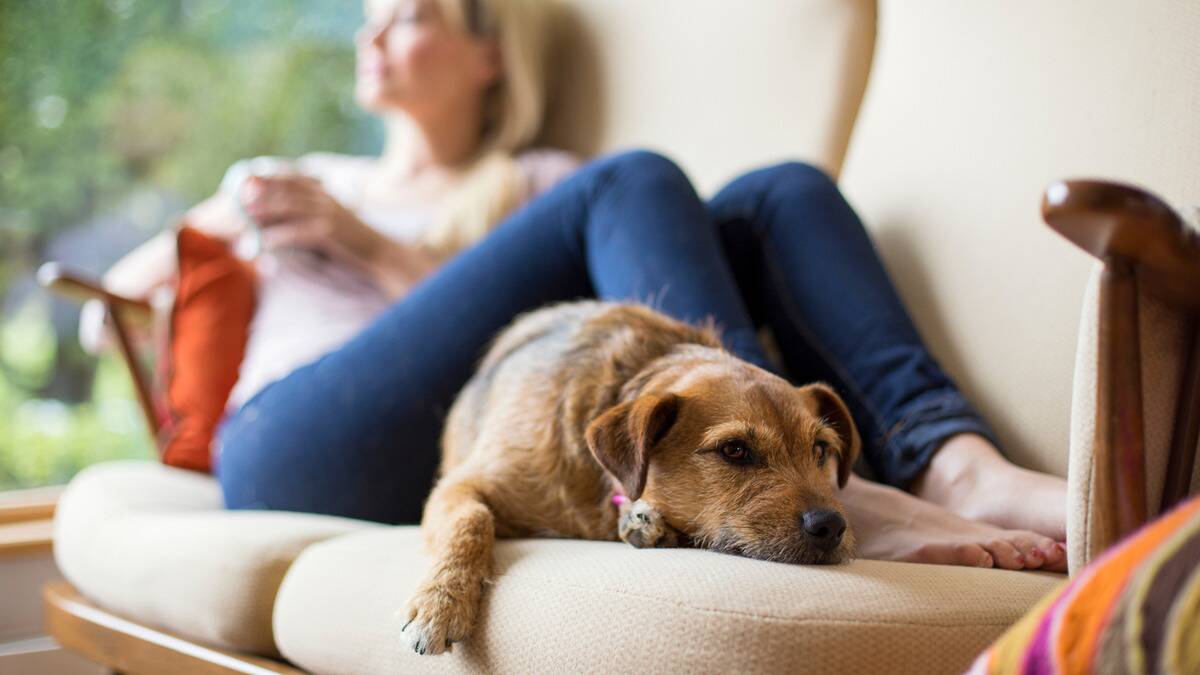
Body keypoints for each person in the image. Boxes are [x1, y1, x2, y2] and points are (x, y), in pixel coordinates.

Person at [91, 0, 1068, 571]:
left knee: (782, 193)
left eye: (414, 10)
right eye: (372, 15)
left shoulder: (543, 185)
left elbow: (559, 369)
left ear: (490, 53)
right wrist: (242, 245)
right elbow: (109, 316)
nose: (376, 31)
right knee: (636, 177)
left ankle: (952, 461)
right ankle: (855, 503)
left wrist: (372, 250)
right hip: (291, 442)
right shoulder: (302, 177)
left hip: (470, 437)